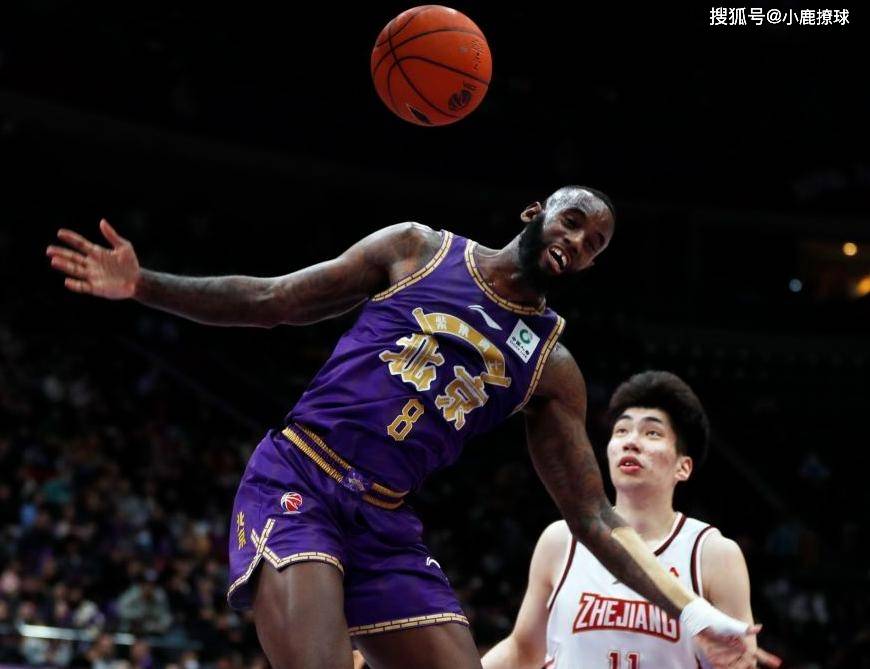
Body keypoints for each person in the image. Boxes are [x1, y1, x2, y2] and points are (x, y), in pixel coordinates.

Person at [47, 186, 777, 669]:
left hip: (384, 520)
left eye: (596, 244)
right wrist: (143, 284)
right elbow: (271, 300)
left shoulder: (551, 367)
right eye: (574, 221)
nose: (579, 242)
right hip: (300, 480)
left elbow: (592, 515)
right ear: (536, 212)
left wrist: (692, 613)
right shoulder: (419, 250)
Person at [482, 370, 774, 668]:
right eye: (621, 431)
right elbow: (522, 649)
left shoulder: (714, 554)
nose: (631, 442)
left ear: (683, 467)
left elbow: (741, 660)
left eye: (652, 433)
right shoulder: (561, 540)